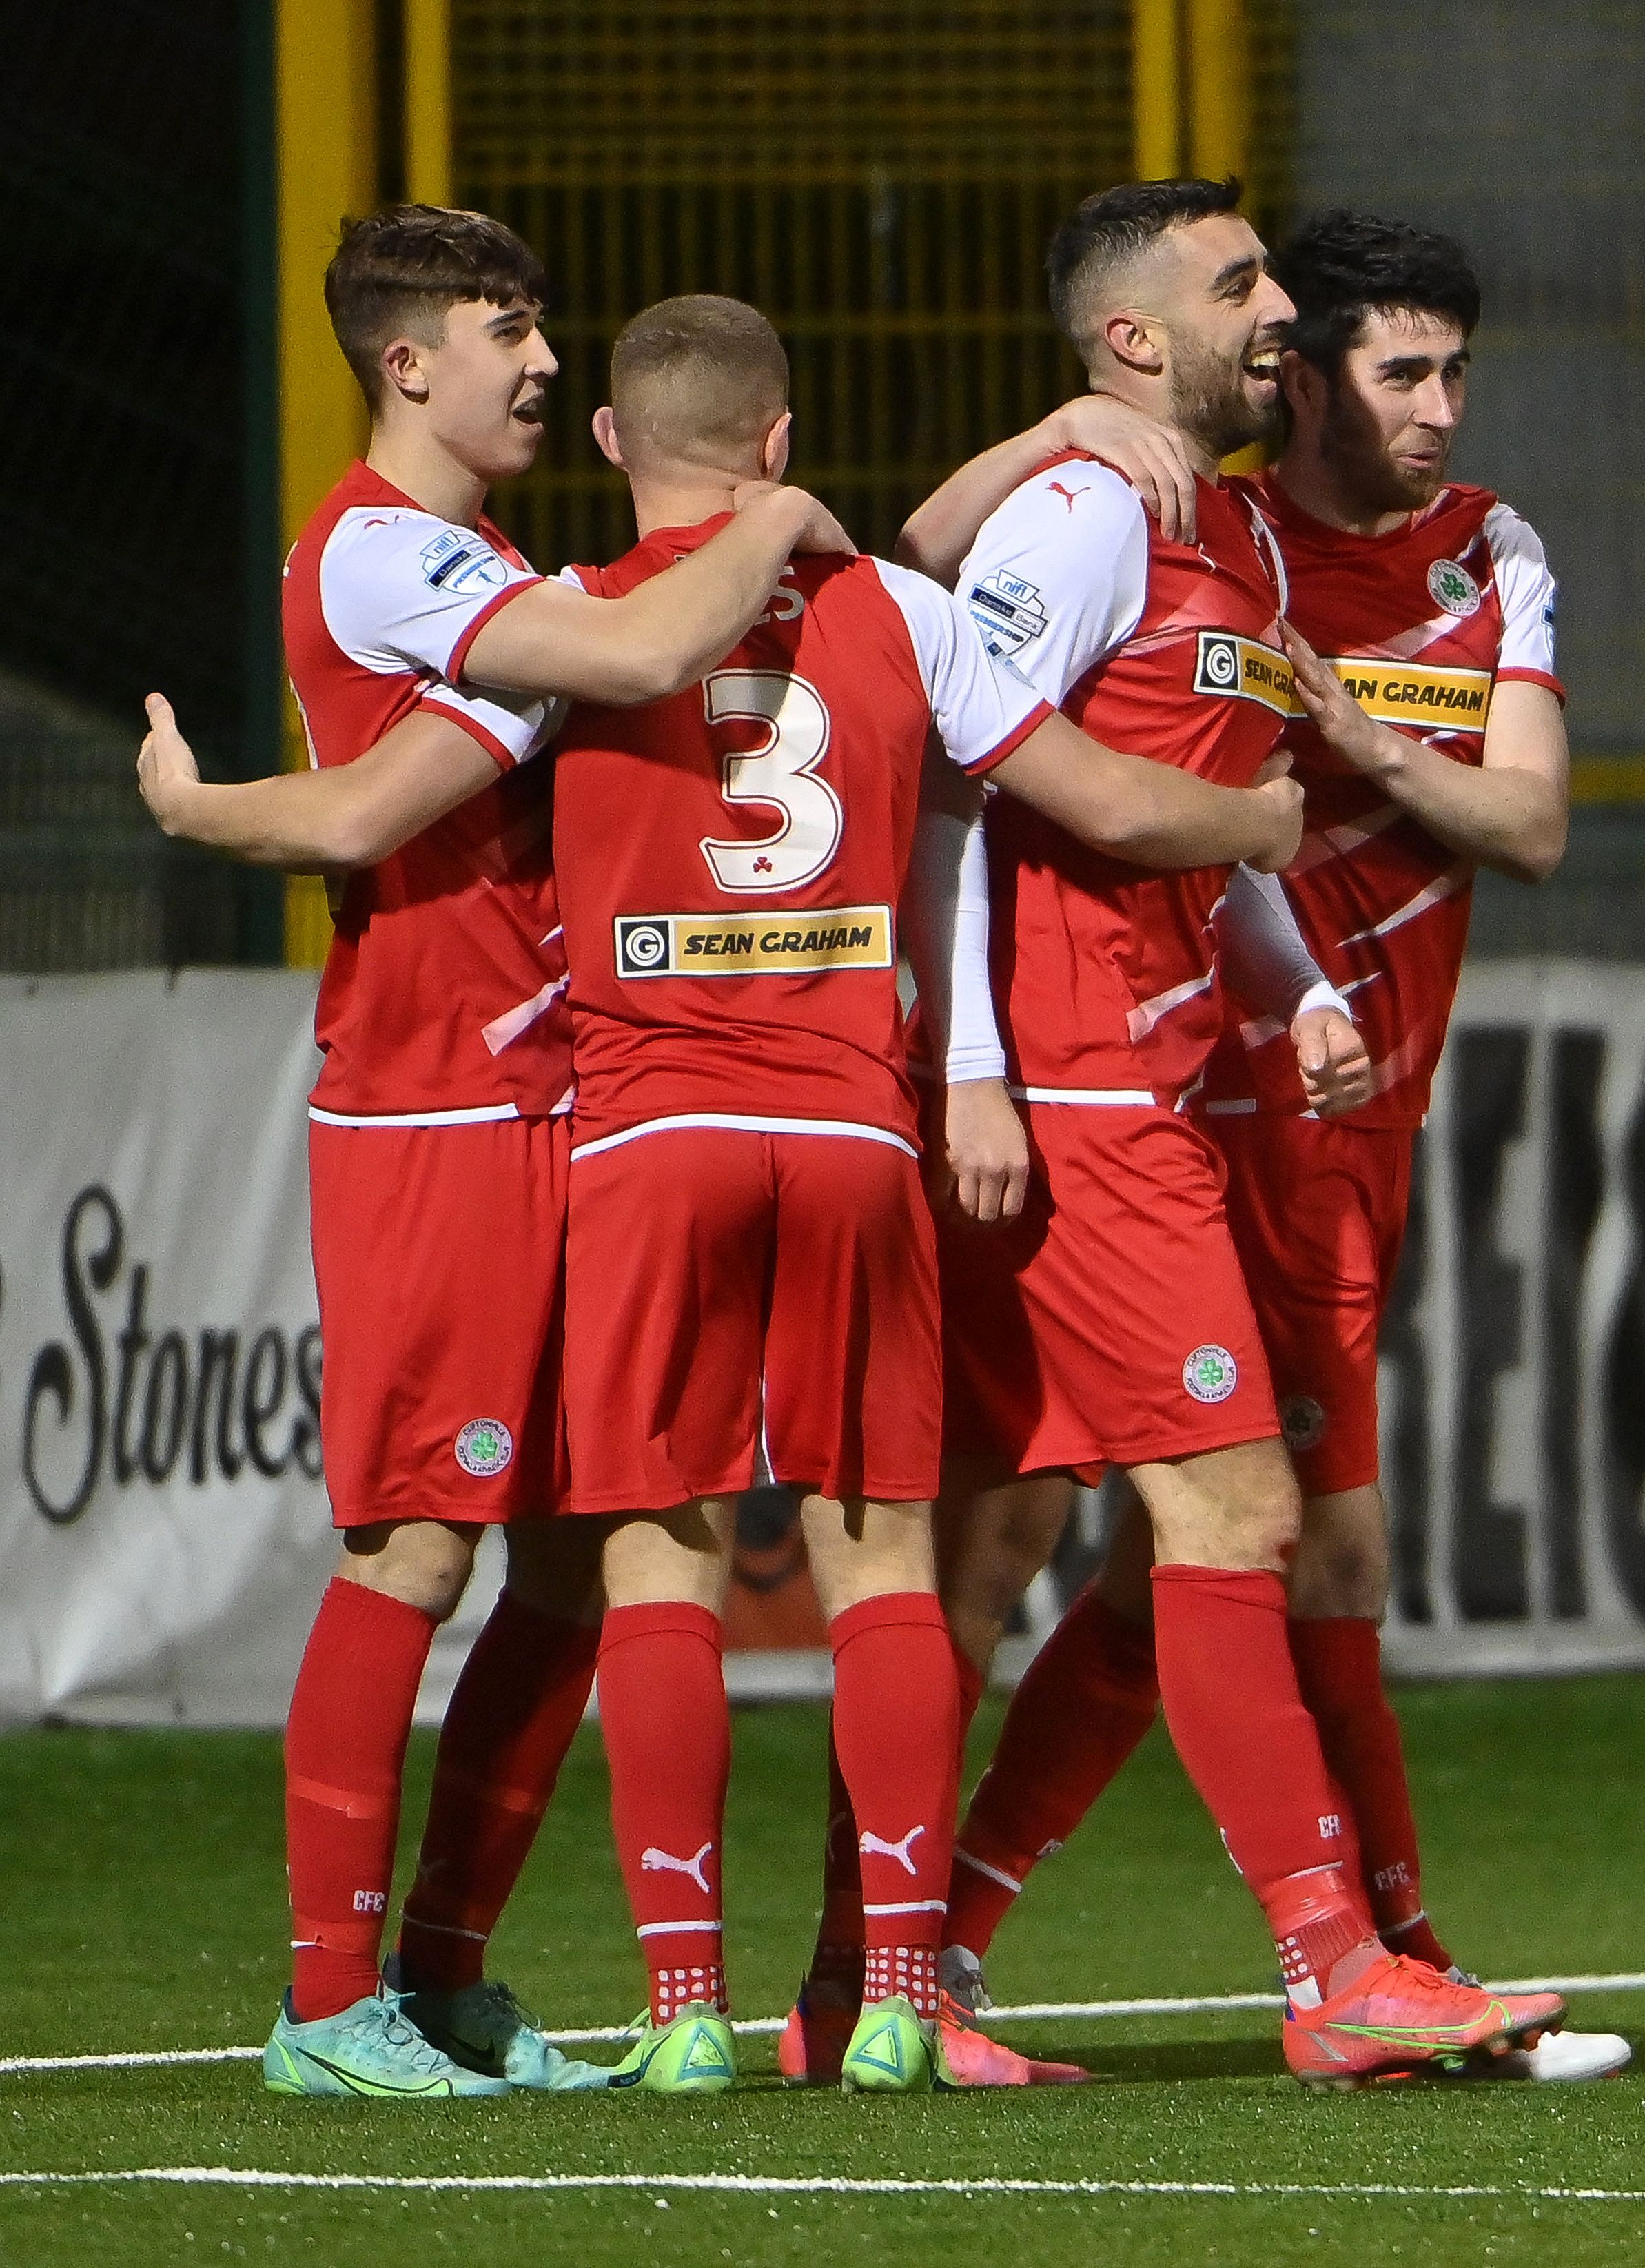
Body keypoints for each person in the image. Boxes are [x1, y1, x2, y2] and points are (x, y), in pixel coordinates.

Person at [826, 178, 1566, 2089]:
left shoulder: (1215, 521)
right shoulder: (1080, 513)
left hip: (1133, 1065)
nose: (1276, 310)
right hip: (1069, 1091)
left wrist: (1299, 983)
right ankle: (1338, 1965)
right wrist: (974, 1067)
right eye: (1240, 285)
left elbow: (1214, 795)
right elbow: (962, 791)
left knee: (995, 1539)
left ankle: (874, 1985)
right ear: (1137, 335)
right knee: (1234, 1517)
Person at [544, 293, 1307, 2096]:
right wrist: (1258, 826)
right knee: (879, 1553)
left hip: (648, 1133)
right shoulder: (896, 611)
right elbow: (1092, 788)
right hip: (848, 1130)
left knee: (658, 1557)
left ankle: (677, 2015)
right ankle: (895, 1986)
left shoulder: (570, 619)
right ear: (784, 440)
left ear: (608, 445)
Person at [140, 204, 853, 2098]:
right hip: (438, 1102)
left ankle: (446, 1971)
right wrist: (782, 515)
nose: (544, 359)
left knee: (562, 1557)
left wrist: (235, 808)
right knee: (415, 1544)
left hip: (565, 1094)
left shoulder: (475, 557)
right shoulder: (378, 552)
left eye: (536, 322)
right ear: (408, 363)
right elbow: (645, 644)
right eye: (506, 326)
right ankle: (323, 2000)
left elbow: (389, 792)